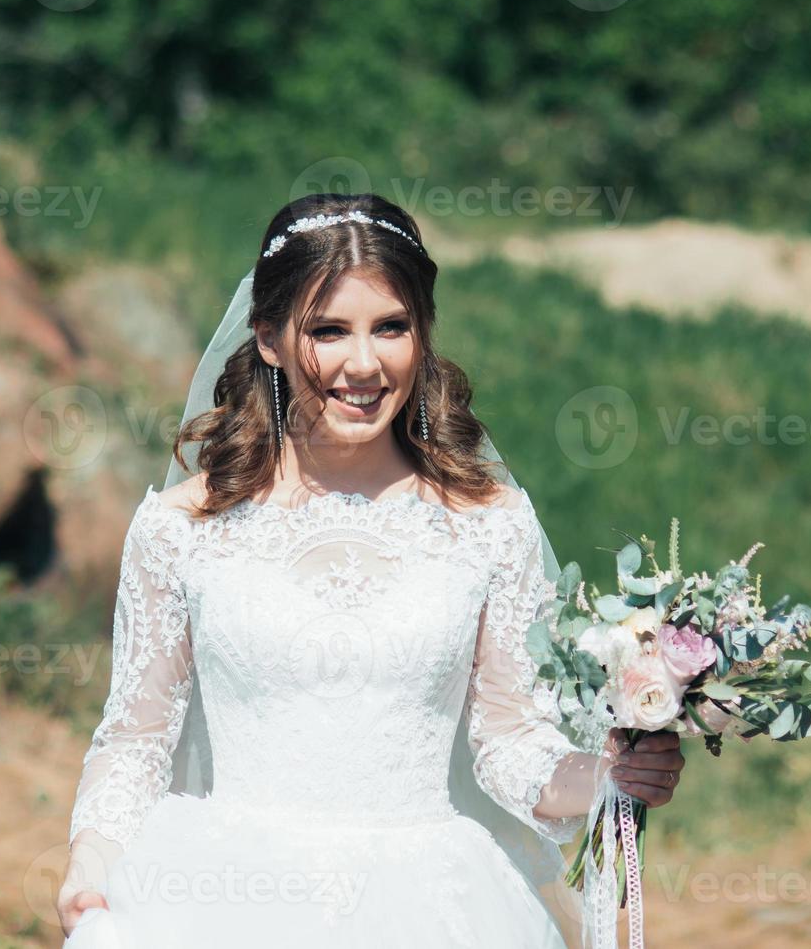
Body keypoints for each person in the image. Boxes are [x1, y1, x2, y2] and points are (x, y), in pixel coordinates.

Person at [56, 193, 685, 948]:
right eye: (328, 331)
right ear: (268, 339)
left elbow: (512, 741)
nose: (365, 363)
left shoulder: (488, 524)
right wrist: (89, 870)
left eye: (392, 327)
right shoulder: (182, 528)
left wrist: (608, 777)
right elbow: (135, 741)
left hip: (433, 908)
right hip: (223, 898)